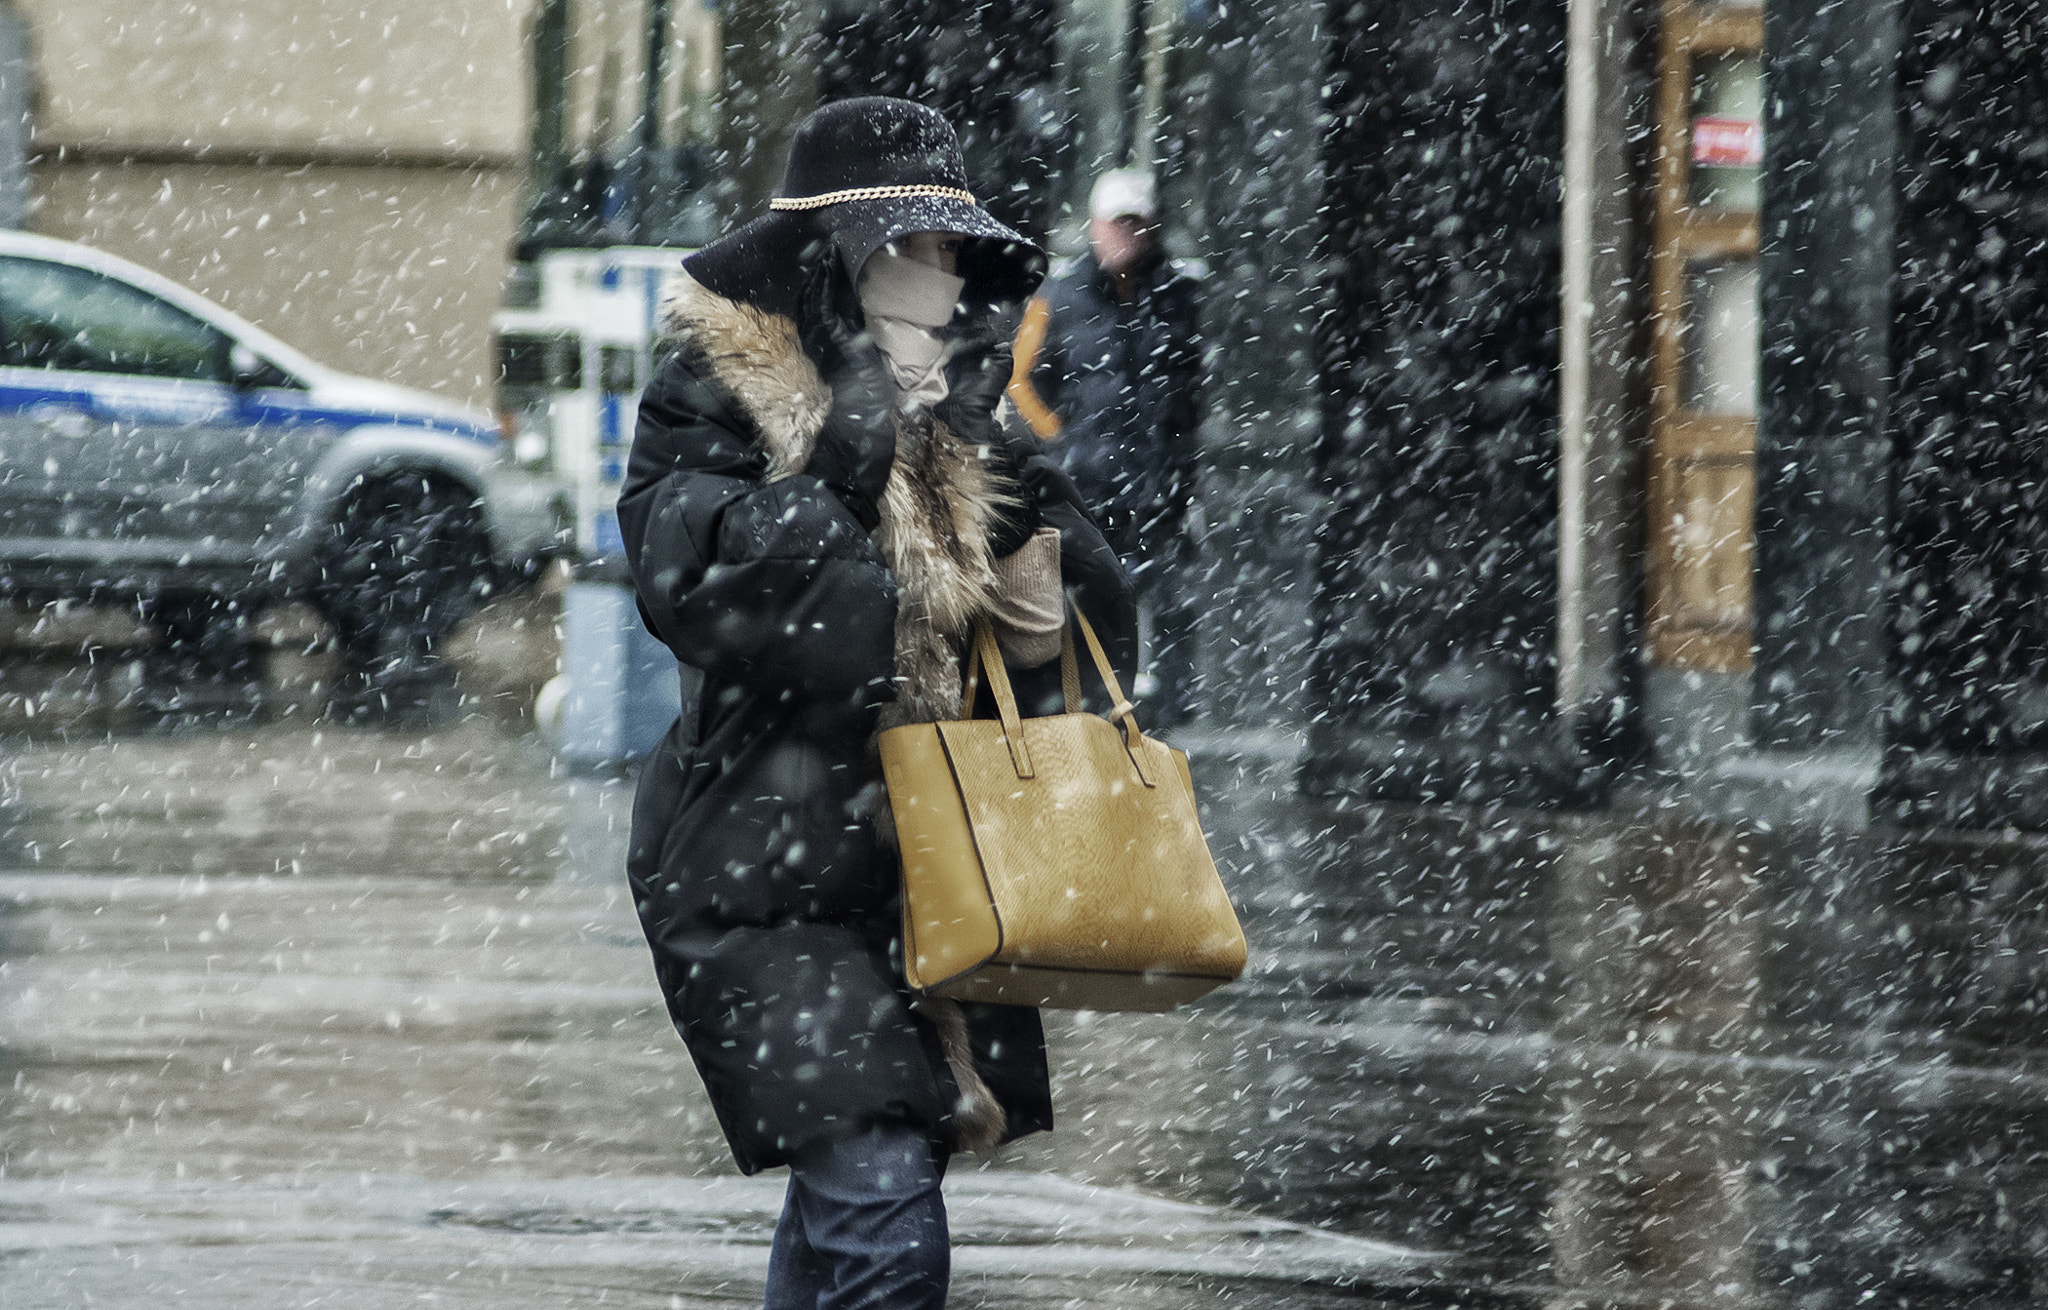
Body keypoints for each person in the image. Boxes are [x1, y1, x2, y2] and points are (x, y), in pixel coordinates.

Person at [615, 97, 1135, 1309]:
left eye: (954, 253)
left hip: (930, 875)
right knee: (882, 1208)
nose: (942, 280)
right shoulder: (715, 396)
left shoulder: (970, 434)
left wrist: (1034, 564)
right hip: (758, 871)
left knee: (861, 1191)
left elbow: (1096, 640)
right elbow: (701, 583)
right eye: (911, 249)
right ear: (830, 266)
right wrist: (852, 436)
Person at [1006, 168, 1204, 727]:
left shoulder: (1177, 296)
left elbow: (1189, 392)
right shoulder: (1060, 295)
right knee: (1090, 604)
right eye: (1116, 224)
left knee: (1163, 608)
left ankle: (1157, 716)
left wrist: (1178, 464)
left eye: (1135, 225)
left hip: (1159, 492)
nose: (1125, 236)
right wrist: (1063, 442)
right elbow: (1019, 379)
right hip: (1089, 489)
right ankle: (1088, 708)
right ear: (1095, 227)